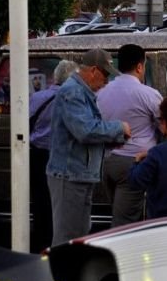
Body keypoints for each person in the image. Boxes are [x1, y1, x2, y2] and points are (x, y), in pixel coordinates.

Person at [46, 49, 131, 244]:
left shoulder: (81, 92)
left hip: (78, 174)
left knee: (78, 234)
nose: (106, 81)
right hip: (70, 175)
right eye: (105, 74)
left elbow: (85, 132)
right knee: (68, 237)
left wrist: (114, 139)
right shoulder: (73, 92)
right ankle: (62, 265)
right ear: (93, 70)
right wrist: (119, 128)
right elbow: (85, 130)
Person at [97, 44, 162, 227]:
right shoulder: (148, 94)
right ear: (140, 67)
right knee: (126, 223)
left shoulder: (101, 93)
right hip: (134, 163)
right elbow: (166, 125)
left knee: (118, 211)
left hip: (106, 161)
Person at [29, 60, 77, 251]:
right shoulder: (73, 99)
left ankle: (42, 242)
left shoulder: (37, 97)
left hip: (38, 155)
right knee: (62, 203)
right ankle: (60, 244)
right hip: (63, 156)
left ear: (55, 77)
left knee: (41, 201)